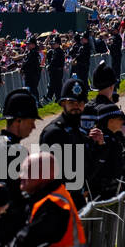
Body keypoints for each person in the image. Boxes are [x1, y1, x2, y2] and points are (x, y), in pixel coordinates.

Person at [9, 150, 91, 247]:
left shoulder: (55, 205)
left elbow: (23, 244)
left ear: (43, 176)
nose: (20, 176)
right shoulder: (49, 198)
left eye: (26, 171)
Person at [0, 88, 39, 247]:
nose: (34, 126)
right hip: (8, 237)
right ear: (18, 121)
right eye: (31, 121)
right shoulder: (12, 151)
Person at [39, 77, 102, 209]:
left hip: (77, 201)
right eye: (71, 102)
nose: (76, 107)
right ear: (63, 104)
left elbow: (88, 168)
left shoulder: (79, 132)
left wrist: (97, 145)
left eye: (80, 102)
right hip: (59, 205)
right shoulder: (53, 133)